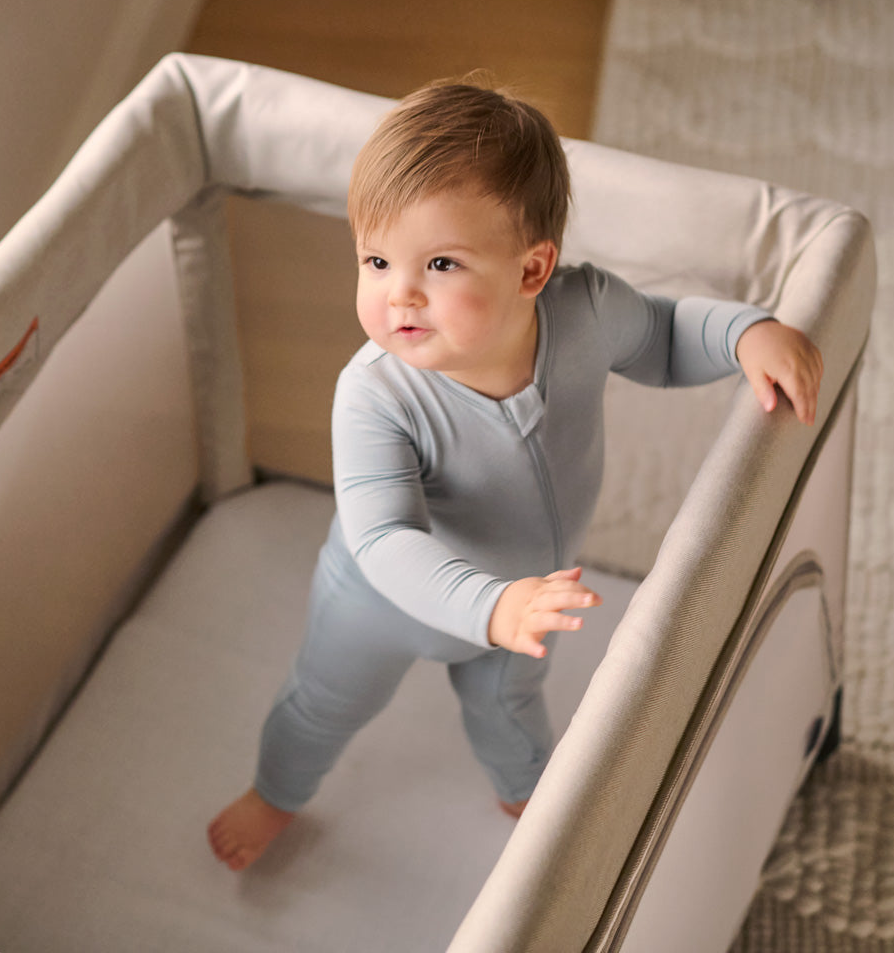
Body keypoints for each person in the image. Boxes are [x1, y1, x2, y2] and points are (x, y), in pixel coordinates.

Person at [207, 78, 823, 871]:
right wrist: (489, 605)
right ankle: (275, 795)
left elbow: (666, 335)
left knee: (513, 705)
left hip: (531, 592)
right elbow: (384, 538)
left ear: (533, 272)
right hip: (381, 605)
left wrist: (747, 333)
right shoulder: (374, 396)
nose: (400, 292)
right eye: (376, 258)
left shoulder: (584, 313)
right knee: (322, 704)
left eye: (438, 262)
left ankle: (523, 788)